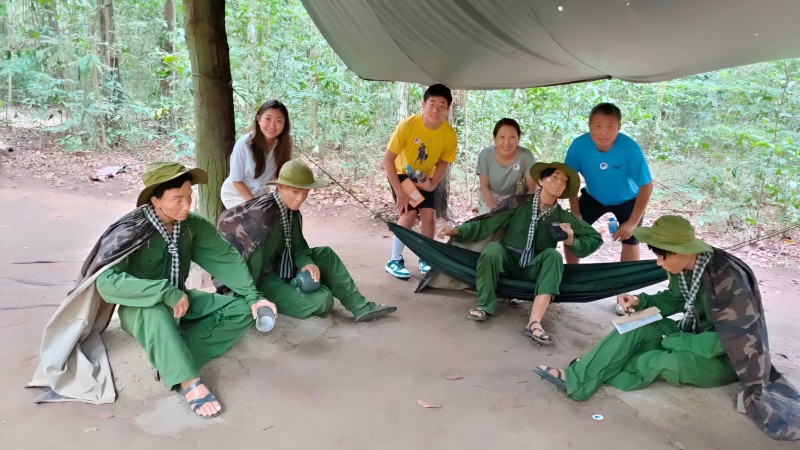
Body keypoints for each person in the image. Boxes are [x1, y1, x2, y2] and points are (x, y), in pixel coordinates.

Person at [30, 161, 276, 419]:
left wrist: (254, 297)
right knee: (157, 313)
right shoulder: (130, 230)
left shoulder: (193, 226)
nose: (186, 205)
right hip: (142, 308)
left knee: (243, 309)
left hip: (182, 300)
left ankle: (172, 358)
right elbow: (106, 283)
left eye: (189, 197)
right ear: (155, 199)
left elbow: (225, 258)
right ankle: (187, 381)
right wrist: (164, 292)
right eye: (177, 199)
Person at [532, 215, 800, 440]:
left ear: (683, 250)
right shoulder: (685, 268)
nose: (659, 263)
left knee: (656, 360)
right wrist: (641, 300)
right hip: (692, 334)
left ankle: (593, 371)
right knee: (635, 327)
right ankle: (579, 377)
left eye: (662, 257)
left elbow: (730, 340)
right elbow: (674, 299)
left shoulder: (729, 279)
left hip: (726, 359)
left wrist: (675, 342)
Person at [438, 162, 601, 344]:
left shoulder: (563, 217)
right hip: (508, 261)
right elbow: (487, 223)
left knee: (553, 256)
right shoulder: (519, 203)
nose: (558, 183)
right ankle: (484, 306)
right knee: (493, 249)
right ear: (541, 180)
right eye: (554, 177)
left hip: (535, 268)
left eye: (563, 182)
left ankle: (534, 322)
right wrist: (458, 231)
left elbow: (594, 238)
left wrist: (571, 240)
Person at [218, 159, 397, 322]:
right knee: (323, 300)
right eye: (295, 192)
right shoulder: (261, 219)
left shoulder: (290, 212)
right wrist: (253, 298)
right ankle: (292, 292)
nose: (300, 199)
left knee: (325, 255)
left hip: (280, 265)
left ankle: (361, 307)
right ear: (280, 187)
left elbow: (298, 247)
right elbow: (247, 265)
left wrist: (306, 263)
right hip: (260, 280)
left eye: (305, 193)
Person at [564, 102, 653, 265]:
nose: (603, 132)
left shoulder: (630, 149)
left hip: (628, 199)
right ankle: (571, 273)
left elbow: (647, 186)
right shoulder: (579, 146)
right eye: (598, 126)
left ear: (619, 127)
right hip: (594, 197)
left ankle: (626, 287)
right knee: (571, 231)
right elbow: (570, 178)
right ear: (589, 125)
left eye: (610, 127)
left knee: (630, 239)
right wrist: (575, 211)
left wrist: (632, 223)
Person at [384, 83, 457, 279]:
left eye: (442, 106)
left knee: (429, 215)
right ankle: (395, 260)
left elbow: (444, 161)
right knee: (409, 211)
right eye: (432, 104)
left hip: (424, 177)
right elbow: (388, 159)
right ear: (423, 104)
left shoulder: (449, 134)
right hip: (402, 175)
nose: (436, 110)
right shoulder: (408, 125)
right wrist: (399, 191)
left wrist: (432, 183)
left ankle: (426, 258)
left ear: (447, 110)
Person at [221, 100, 293, 209]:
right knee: (256, 222)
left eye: (279, 121)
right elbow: (236, 180)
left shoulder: (283, 145)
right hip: (236, 193)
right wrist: (256, 206)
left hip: (261, 193)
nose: (272, 126)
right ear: (258, 119)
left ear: (284, 124)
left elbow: (282, 178)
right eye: (268, 119)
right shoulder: (244, 144)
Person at [475, 118, 537, 214]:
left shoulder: (526, 156)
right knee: (491, 226)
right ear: (495, 138)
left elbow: (531, 190)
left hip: (518, 201)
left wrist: (516, 212)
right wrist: (496, 211)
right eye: (502, 137)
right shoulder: (485, 155)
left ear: (518, 138)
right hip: (490, 198)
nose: (507, 143)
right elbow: (484, 187)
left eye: (512, 137)